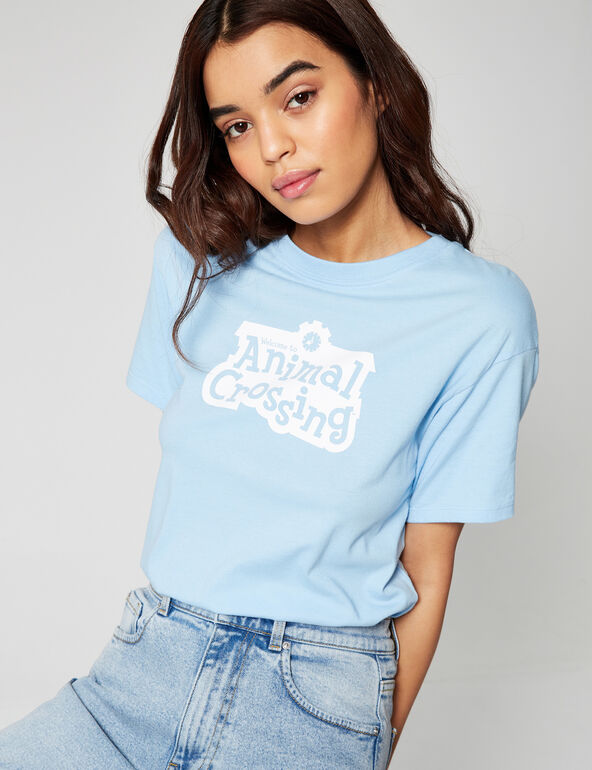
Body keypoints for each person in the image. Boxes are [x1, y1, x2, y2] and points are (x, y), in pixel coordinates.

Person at [0, 1, 540, 768]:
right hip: (146, 667)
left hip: (313, 700)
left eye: (299, 97)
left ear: (375, 83)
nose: (273, 147)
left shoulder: (479, 313)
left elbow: (428, 562)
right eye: (236, 126)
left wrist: (369, 747)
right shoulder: (198, 262)